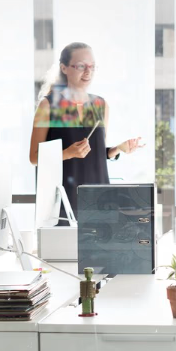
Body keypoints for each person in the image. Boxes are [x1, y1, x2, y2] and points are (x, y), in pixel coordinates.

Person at [28, 42, 145, 222]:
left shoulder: (100, 105)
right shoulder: (49, 106)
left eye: (92, 66)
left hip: (100, 200)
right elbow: (34, 157)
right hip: (63, 202)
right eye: (81, 66)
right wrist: (68, 153)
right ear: (64, 68)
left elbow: (96, 153)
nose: (88, 71)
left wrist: (117, 149)